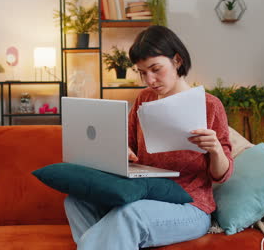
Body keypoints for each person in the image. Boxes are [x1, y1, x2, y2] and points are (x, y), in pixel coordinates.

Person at [64, 25, 234, 250]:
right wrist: (120, 154)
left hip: (190, 206)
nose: (150, 80)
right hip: (143, 196)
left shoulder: (210, 105)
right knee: (76, 200)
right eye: (142, 72)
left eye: (156, 69)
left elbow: (222, 175)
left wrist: (215, 150)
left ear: (177, 61)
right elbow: (130, 150)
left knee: (130, 215)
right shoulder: (144, 99)